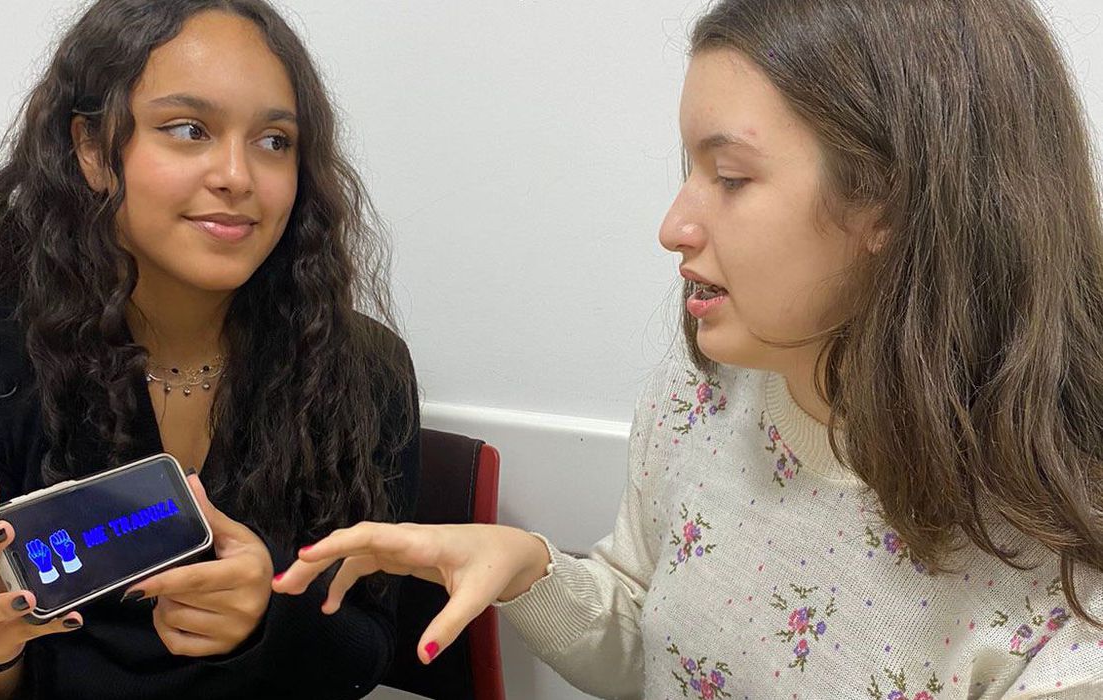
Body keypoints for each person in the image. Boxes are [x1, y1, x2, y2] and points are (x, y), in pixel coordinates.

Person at [275, 0, 1103, 696]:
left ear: (891, 201)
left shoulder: (1060, 584)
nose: (673, 226)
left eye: (731, 177)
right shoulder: (702, 393)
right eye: (690, 170)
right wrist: (528, 569)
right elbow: (653, 647)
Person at [0, 1, 419, 698]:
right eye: (189, 130)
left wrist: (268, 617)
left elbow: (370, 650)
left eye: (274, 140)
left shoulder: (364, 368)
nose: (238, 176)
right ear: (92, 150)